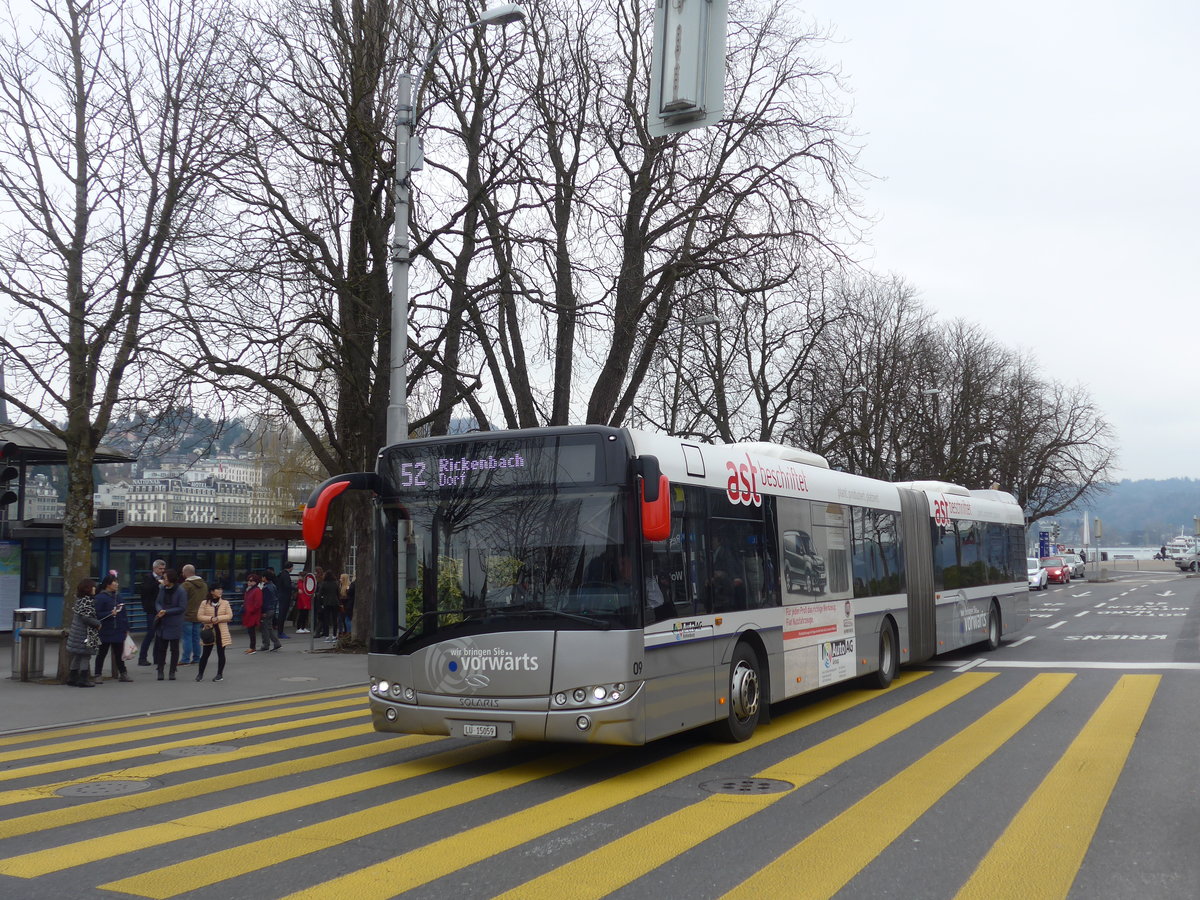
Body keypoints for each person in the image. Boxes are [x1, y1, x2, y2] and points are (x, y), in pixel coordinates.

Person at [93, 573, 132, 683]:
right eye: (114, 582)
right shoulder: (100, 597)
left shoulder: (119, 597)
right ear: (108, 584)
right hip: (105, 629)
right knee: (102, 653)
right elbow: (96, 614)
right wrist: (110, 613)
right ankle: (97, 674)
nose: (117, 584)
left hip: (118, 629)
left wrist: (126, 628)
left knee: (119, 653)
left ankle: (123, 673)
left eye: (117, 581)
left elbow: (123, 613)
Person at [65, 579, 102, 688]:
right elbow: (86, 617)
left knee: (77, 655)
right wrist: (97, 623)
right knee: (86, 656)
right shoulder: (87, 601)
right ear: (88, 589)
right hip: (85, 633)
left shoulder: (79, 599)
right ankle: (83, 679)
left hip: (77, 632)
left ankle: (72, 677)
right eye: (93, 586)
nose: (95, 588)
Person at [153, 568, 188, 680]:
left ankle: (172, 671)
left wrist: (167, 611)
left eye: (165, 578)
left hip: (174, 622)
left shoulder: (181, 591)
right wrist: (160, 610)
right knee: (161, 648)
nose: (163, 580)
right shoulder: (163, 589)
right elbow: (158, 602)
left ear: (171, 579)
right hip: (163, 622)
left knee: (174, 649)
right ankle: (160, 670)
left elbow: (182, 607)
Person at [196, 586, 233, 682]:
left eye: (221, 589)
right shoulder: (204, 603)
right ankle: (200, 674)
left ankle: (219, 674)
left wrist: (218, 619)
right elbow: (199, 616)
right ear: (212, 591)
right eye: (218, 589)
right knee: (205, 653)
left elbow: (229, 615)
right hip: (209, 631)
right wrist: (211, 619)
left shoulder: (225, 603)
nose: (220, 591)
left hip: (221, 631)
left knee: (221, 653)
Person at [137, 559, 166, 666]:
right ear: (154, 568)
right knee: (150, 634)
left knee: (160, 635)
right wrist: (157, 583)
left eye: (163, 569)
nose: (162, 571)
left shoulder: (164, 578)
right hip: (151, 610)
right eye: (160, 569)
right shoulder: (148, 578)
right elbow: (145, 591)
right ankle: (142, 658)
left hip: (161, 610)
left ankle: (157, 658)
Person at [179, 564, 207, 666]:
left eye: (183, 572)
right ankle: (196, 658)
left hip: (187, 615)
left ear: (186, 572)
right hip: (199, 615)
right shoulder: (204, 584)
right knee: (196, 637)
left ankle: (185, 659)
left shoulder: (186, 585)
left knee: (187, 638)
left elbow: (180, 600)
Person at [259, 568, 282, 652]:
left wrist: (263, 611)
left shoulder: (266, 588)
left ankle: (266, 644)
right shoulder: (273, 586)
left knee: (265, 628)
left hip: (267, 610)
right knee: (269, 627)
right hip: (272, 609)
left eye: (262, 577)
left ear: (265, 578)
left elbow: (265, 601)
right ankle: (276, 643)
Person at [242, 574, 263, 654]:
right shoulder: (249, 590)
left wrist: (251, 610)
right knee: (250, 631)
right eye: (248, 580)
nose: (249, 582)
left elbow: (258, 603)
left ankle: (252, 647)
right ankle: (252, 647)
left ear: (256, 582)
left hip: (252, 614)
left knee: (251, 631)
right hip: (249, 613)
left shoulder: (257, 590)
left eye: (251, 581)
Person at [274, 562, 295, 639]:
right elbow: (287, 585)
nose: (293, 569)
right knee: (282, 614)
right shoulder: (286, 575)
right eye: (292, 567)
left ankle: (280, 631)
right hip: (285, 596)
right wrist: (295, 588)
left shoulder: (281, 574)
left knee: (281, 614)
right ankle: (280, 632)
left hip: (281, 595)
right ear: (290, 567)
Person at [317, 570, 339, 641]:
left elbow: (319, 595)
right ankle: (334, 635)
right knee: (334, 619)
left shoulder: (323, 584)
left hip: (326, 603)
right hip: (335, 602)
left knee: (326, 619)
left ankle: (326, 636)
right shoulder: (335, 583)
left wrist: (321, 603)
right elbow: (338, 593)